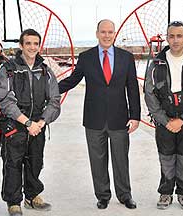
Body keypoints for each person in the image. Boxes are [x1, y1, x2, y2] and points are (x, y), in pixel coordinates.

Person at [59, 19, 141, 209]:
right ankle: (103, 195)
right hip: (94, 119)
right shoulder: (86, 57)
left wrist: (135, 116)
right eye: (103, 32)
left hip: (120, 118)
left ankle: (125, 195)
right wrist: (50, 90)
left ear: (114, 34)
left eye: (110, 32)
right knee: (97, 161)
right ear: (97, 33)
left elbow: (132, 89)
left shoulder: (126, 57)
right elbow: (73, 80)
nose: (106, 35)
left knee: (121, 160)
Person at [0, 29, 61, 216]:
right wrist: (26, 123)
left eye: (35, 44)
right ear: (21, 45)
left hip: (38, 125)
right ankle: (13, 202)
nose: (32, 47)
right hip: (15, 125)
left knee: (35, 162)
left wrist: (41, 122)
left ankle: (32, 196)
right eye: (28, 43)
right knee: (13, 163)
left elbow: (54, 100)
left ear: (39, 46)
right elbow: (5, 100)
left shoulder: (45, 70)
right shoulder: (8, 69)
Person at [144, 21, 183, 210]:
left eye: (179, 36)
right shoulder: (157, 62)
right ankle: (165, 192)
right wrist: (164, 120)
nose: (175, 40)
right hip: (164, 120)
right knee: (165, 157)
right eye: (171, 36)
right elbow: (149, 93)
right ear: (167, 38)